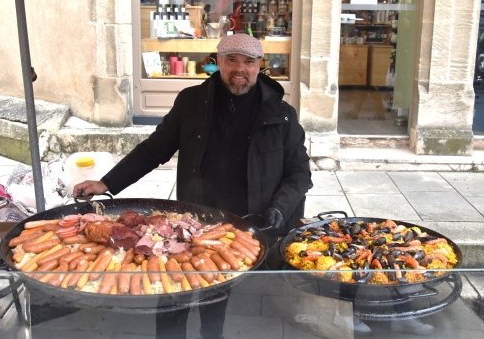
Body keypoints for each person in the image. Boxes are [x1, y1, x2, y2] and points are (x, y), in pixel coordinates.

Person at [74, 33, 312, 338]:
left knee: (216, 290)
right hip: (193, 218)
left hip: (242, 222)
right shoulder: (191, 102)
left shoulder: (282, 114)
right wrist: (107, 183)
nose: (240, 68)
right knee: (174, 288)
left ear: (259, 66)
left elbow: (299, 173)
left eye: (248, 62)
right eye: (232, 60)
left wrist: (280, 207)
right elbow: (154, 148)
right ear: (218, 62)